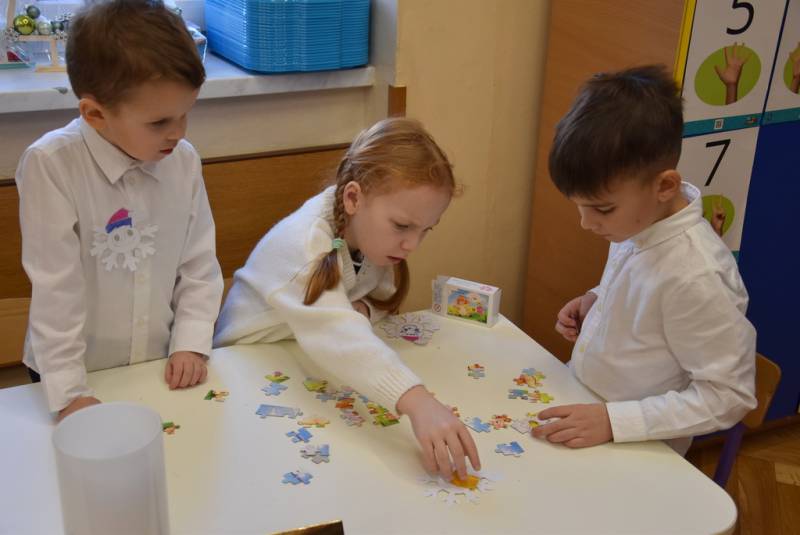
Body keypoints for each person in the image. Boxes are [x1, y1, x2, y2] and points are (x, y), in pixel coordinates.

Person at [214, 117, 481, 478]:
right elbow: (338, 334)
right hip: (242, 367)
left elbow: (371, 304)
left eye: (425, 230)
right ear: (353, 198)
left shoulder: (370, 235)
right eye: (402, 226)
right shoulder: (303, 243)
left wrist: (362, 311)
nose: (412, 244)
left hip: (301, 356)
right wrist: (418, 401)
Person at [15, 0, 223, 421]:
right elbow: (56, 291)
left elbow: (199, 264)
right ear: (95, 114)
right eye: (159, 122)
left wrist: (190, 341)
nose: (178, 133)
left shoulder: (183, 160)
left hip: (158, 364)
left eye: (186, 114)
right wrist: (70, 393)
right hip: (73, 373)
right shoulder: (51, 164)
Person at [534, 65, 757, 455]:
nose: (586, 223)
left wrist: (614, 421)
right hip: (587, 404)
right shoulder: (639, 221)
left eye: (602, 209)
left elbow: (729, 396)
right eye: (580, 206)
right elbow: (641, 286)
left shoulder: (697, 274)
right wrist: (597, 299)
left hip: (641, 445)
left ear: (665, 186)